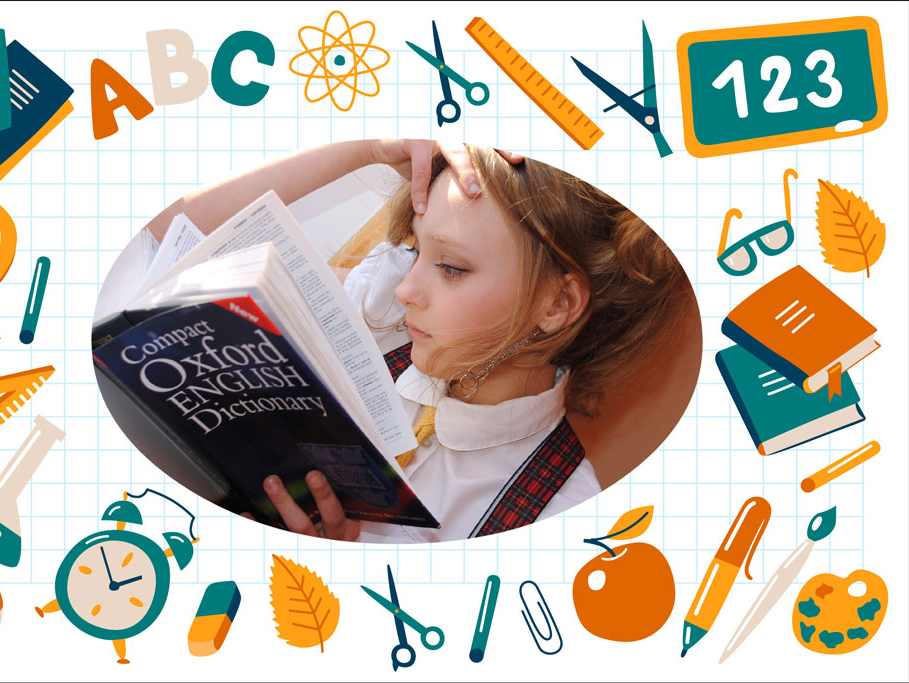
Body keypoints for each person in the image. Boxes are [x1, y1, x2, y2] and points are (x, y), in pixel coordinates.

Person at [143, 140, 692, 543]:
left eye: (450, 268)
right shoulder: (378, 314)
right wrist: (365, 148)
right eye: (414, 250)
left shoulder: (564, 512)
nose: (408, 288)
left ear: (556, 305)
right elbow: (170, 235)